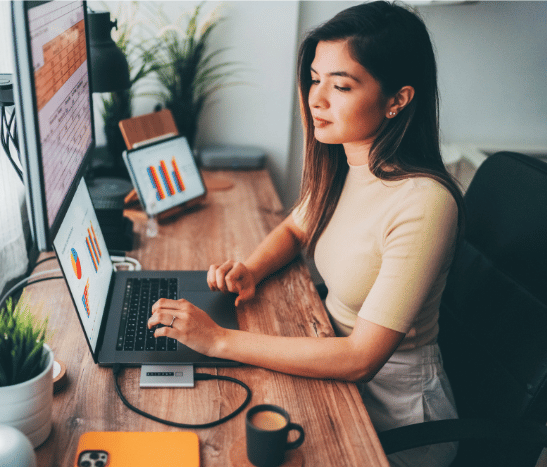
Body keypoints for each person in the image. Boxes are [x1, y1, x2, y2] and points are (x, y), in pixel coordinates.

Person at [148, 2, 464, 465]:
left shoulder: (423, 202)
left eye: (340, 86)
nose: (316, 98)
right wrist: (252, 268)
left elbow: (361, 357)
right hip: (331, 360)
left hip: (394, 420)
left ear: (397, 99)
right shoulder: (350, 160)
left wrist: (219, 341)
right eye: (315, 79)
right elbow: (298, 228)